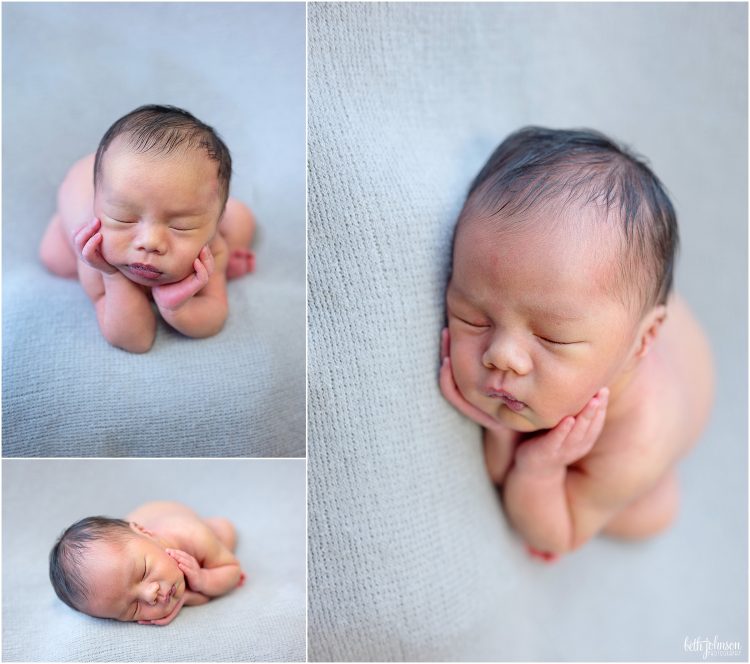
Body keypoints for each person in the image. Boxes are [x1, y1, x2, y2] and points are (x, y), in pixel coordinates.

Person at [439, 127, 714, 561]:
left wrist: (539, 470)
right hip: (621, 312)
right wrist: (499, 430)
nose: (501, 355)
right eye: (473, 317)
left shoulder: (637, 442)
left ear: (641, 343)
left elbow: (555, 536)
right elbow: (493, 467)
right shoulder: (564, 317)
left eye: (551, 337)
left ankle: (640, 496)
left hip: (660, 429)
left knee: (653, 513)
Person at [39, 104, 256, 353]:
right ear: (98, 208)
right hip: (79, 187)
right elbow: (135, 340)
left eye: (181, 226)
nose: (150, 242)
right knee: (55, 257)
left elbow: (214, 317)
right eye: (124, 219)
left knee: (242, 220)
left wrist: (177, 308)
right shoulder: (95, 253)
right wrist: (113, 276)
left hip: (145, 186)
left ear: (215, 224)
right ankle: (71, 220)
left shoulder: (210, 249)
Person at [49, 501, 245, 626]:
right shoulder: (134, 555)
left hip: (167, 513)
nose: (150, 595)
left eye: (143, 572)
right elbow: (196, 596)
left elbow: (233, 571)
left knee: (225, 531)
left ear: (147, 533)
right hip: (132, 530)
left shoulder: (191, 534)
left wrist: (204, 578)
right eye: (133, 608)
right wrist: (185, 598)